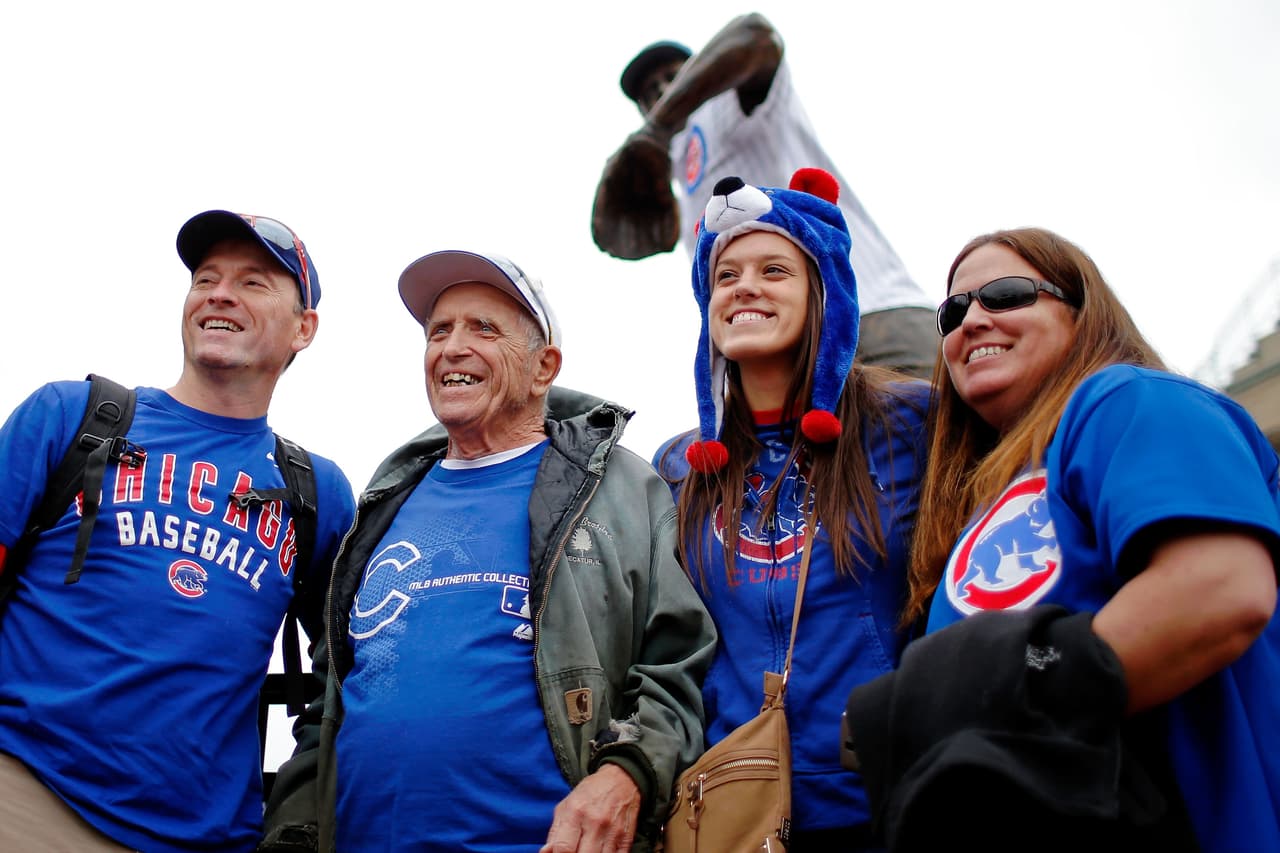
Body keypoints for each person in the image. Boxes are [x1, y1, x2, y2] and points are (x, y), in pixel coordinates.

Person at [261, 250, 716, 852]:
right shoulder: (385, 503)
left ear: (542, 367)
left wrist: (626, 773)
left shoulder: (625, 491)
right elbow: (332, 695)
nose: (452, 347)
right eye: (439, 330)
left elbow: (680, 667)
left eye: (484, 328)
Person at [862, 227, 1278, 850]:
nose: (972, 319)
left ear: (1082, 313)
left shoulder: (1128, 398)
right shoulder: (980, 497)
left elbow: (1220, 590)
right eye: (951, 311)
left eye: (1005, 294)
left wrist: (1001, 687)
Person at [0, 211, 356, 852]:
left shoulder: (317, 493)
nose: (219, 293)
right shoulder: (70, 418)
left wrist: (300, 805)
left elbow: (357, 670)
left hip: (211, 834)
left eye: (253, 282)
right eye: (206, 278)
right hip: (29, 795)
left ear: (304, 329)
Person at [653, 168, 929, 848]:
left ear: (824, 293)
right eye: (726, 275)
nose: (745, 286)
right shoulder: (677, 467)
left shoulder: (913, 422)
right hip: (735, 811)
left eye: (774, 269)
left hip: (891, 801)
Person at [592, 12, 938, 379]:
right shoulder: (672, 171)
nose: (661, 91)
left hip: (873, 310)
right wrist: (628, 163)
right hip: (787, 353)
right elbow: (625, 240)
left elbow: (757, 35)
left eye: (671, 76)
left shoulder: (731, 102)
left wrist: (658, 127)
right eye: (649, 95)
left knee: (942, 429)